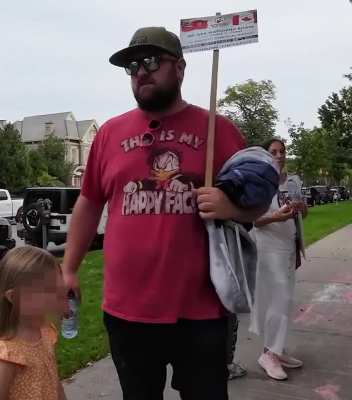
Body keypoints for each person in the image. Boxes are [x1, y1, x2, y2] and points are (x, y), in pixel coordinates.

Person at [61, 26, 263, 400]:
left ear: (180, 68)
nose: (141, 71)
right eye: (132, 65)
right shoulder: (109, 134)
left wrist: (231, 206)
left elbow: (259, 198)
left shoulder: (218, 130)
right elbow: (89, 202)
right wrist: (69, 268)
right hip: (127, 312)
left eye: (152, 61)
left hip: (201, 310)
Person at [249, 138, 307, 381]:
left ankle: (277, 349)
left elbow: (302, 213)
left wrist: (302, 208)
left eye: (282, 151)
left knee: (285, 300)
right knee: (276, 300)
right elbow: (253, 220)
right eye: (273, 151)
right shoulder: (258, 182)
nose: (280, 155)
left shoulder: (291, 181)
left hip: (288, 246)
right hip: (269, 248)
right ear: (265, 155)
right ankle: (268, 355)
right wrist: (276, 217)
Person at [0, 246, 67, 400]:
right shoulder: (7, 355)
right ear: (13, 297)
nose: (55, 294)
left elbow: (53, 381)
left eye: (55, 287)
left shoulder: (46, 332)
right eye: (46, 289)